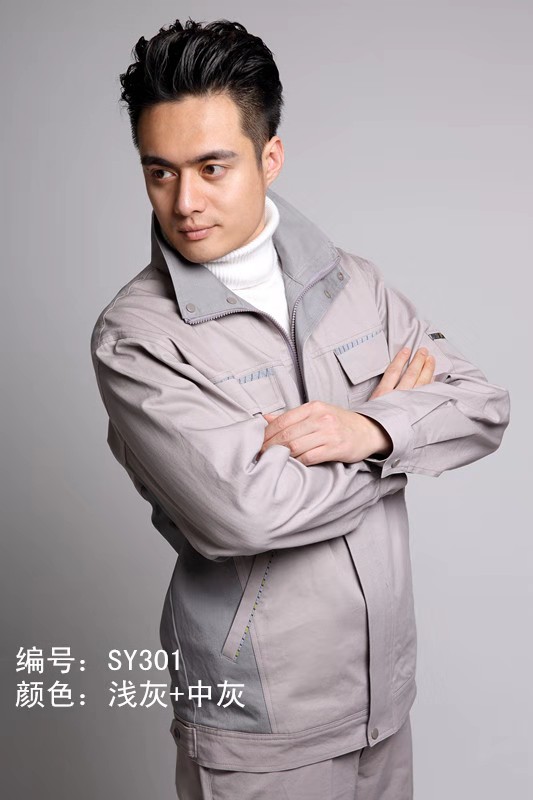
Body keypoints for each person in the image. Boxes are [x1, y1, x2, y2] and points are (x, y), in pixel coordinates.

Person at [90, 18, 510, 800]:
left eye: (212, 167)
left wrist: (370, 427)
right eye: (159, 172)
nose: (184, 201)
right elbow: (243, 516)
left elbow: (481, 406)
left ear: (269, 157)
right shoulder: (139, 336)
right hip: (260, 726)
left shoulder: (356, 285)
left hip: (383, 702)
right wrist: (393, 452)